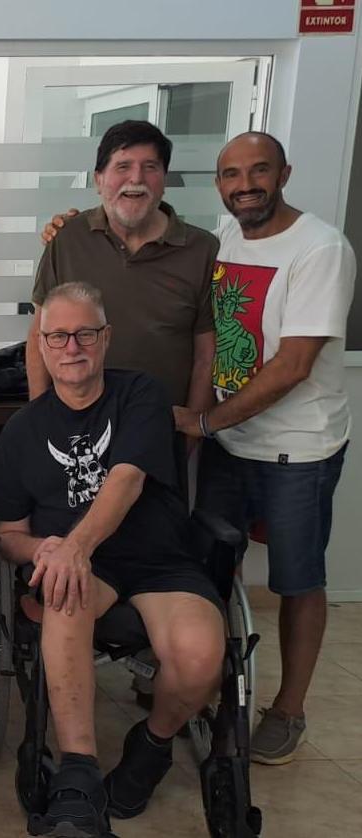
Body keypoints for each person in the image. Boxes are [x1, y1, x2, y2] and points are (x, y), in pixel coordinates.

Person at [0, 282, 225, 837]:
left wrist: (75, 545)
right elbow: (7, 535)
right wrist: (45, 549)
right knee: (63, 589)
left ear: (106, 338)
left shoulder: (140, 394)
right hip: (81, 571)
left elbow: (126, 479)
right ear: (41, 345)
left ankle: (153, 744)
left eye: (85, 334)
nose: (71, 347)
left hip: (159, 559)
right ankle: (79, 777)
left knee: (200, 658)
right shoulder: (23, 430)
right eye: (58, 336)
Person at [175, 132, 354, 765]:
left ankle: (288, 710)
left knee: (297, 579)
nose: (244, 185)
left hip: (297, 449)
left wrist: (205, 421)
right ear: (219, 183)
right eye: (231, 174)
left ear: (284, 173)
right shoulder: (225, 238)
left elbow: (294, 365)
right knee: (210, 567)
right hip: (230, 441)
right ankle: (200, 683)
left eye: (258, 171)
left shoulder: (321, 248)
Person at [28, 121, 217, 416]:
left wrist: (192, 431)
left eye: (150, 167)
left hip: (161, 427)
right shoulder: (68, 240)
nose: (136, 178)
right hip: (74, 427)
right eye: (123, 166)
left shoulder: (202, 250)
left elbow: (206, 356)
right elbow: (39, 337)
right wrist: (39, 420)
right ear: (98, 179)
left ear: (164, 180)